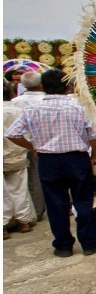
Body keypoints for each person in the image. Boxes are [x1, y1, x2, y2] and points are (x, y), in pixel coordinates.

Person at [5, 69, 96, 257]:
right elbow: (94, 135)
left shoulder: (32, 110)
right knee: (83, 201)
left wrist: (32, 147)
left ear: (43, 86)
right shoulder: (78, 108)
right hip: (76, 158)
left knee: (56, 204)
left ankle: (63, 245)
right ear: (67, 85)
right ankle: (89, 242)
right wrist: (95, 156)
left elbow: (12, 133)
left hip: (48, 159)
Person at [10, 71, 47, 221]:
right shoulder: (46, 99)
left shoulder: (15, 102)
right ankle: (67, 207)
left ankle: (37, 212)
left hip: (24, 145)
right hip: (47, 146)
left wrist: (31, 147)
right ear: (41, 84)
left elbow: (12, 133)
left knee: (33, 180)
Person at [3, 81, 34, 239]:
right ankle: (23, 222)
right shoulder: (17, 110)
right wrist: (31, 148)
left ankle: (3, 226)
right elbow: (25, 133)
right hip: (18, 154)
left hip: (7, 153)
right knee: (20, 188)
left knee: (3, 192)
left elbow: (12, 133)